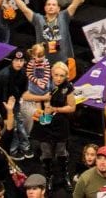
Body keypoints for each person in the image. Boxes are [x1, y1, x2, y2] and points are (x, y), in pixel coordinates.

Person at [6, 0, 91, 67]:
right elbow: (24, 9)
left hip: (64, 60)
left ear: (58, 9)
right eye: (48, 4)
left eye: (54, 5)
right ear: (45, 8)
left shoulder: (64, 16)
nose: (51, 6)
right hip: (44, 61)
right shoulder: (38, 19)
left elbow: (74, 5)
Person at [31, 60, 75, 192]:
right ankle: (48, 176)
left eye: (62, 76)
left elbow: (72, 107)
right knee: (46, 152)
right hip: (45, 120)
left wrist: (55, 109)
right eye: (56, 75)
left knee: (61, 151)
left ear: (66, 76)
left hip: (60, 123)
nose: (59, 78)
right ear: (51, 74)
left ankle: (64, 174)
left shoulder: (68, 87)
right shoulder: (43, 84)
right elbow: (37, 102)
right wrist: (41, 113)